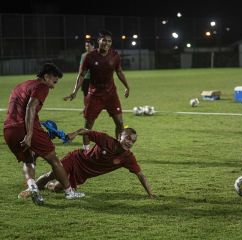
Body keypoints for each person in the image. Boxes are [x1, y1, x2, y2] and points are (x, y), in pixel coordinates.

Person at [3, 63, 85, 205]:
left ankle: (33, 187)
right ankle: (69, 192)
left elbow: (21, 109)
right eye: (54, 81)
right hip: (25, 129)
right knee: (53, 158)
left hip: (9, 129)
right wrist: (29, 135)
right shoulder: (42, 86)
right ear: (46, 76)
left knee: (28, 160)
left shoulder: (22, 85)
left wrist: (43, 132)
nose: (53, 86)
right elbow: (30, 107)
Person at [27, 127, 156, 199]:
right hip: (76, 159)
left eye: (133, 141)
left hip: (83, 174)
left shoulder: (128, 157)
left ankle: (49, 186)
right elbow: (86, 131)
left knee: (57, 188)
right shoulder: (106, 140)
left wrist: (150, 193)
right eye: (127, 138)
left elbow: (140, 175)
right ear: (119, 137)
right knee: (52, 174)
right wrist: (78, 137)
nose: (129, 142)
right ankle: (30, 190)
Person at [64, 30, 130, 152]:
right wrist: (75, 91)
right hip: (94, 96)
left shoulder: (115, 55)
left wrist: (127, 86)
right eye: (104, 40)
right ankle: (86, 152)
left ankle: (119, 150)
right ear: (98, 41)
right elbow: (82, 75)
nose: (107, 43)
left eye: (109, 41)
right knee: (88, 125)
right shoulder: (90, 57)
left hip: (111, 95)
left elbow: (119, 71)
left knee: (120, 123)